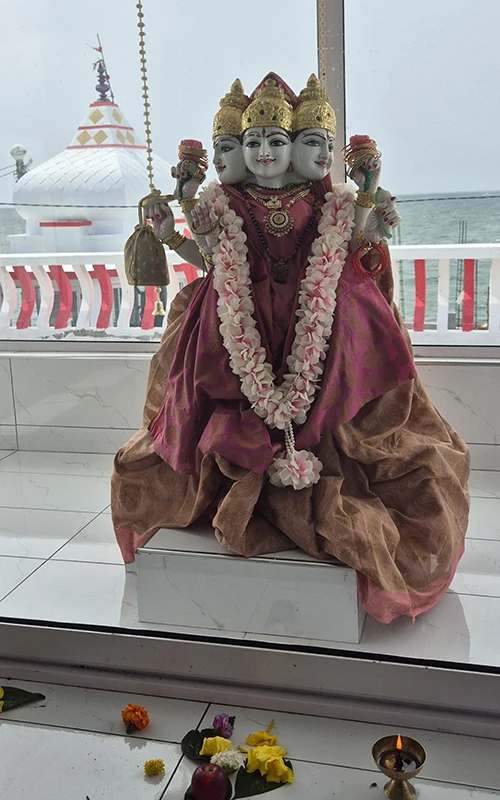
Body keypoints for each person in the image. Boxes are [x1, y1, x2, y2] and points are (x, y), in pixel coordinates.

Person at [111, 73, 469, 624]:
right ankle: (231, 479)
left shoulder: (327, 197)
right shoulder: (227, 200)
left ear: (306, 148)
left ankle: (315, 459)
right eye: (251, 143)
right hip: (238, 320)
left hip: (317, 315)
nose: (264, 153)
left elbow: (352, 242)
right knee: (207, 373)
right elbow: (211, 256)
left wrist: (374, 208)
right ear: (234, 153)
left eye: (276, 141)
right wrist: (169, 229)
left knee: (351, 368)